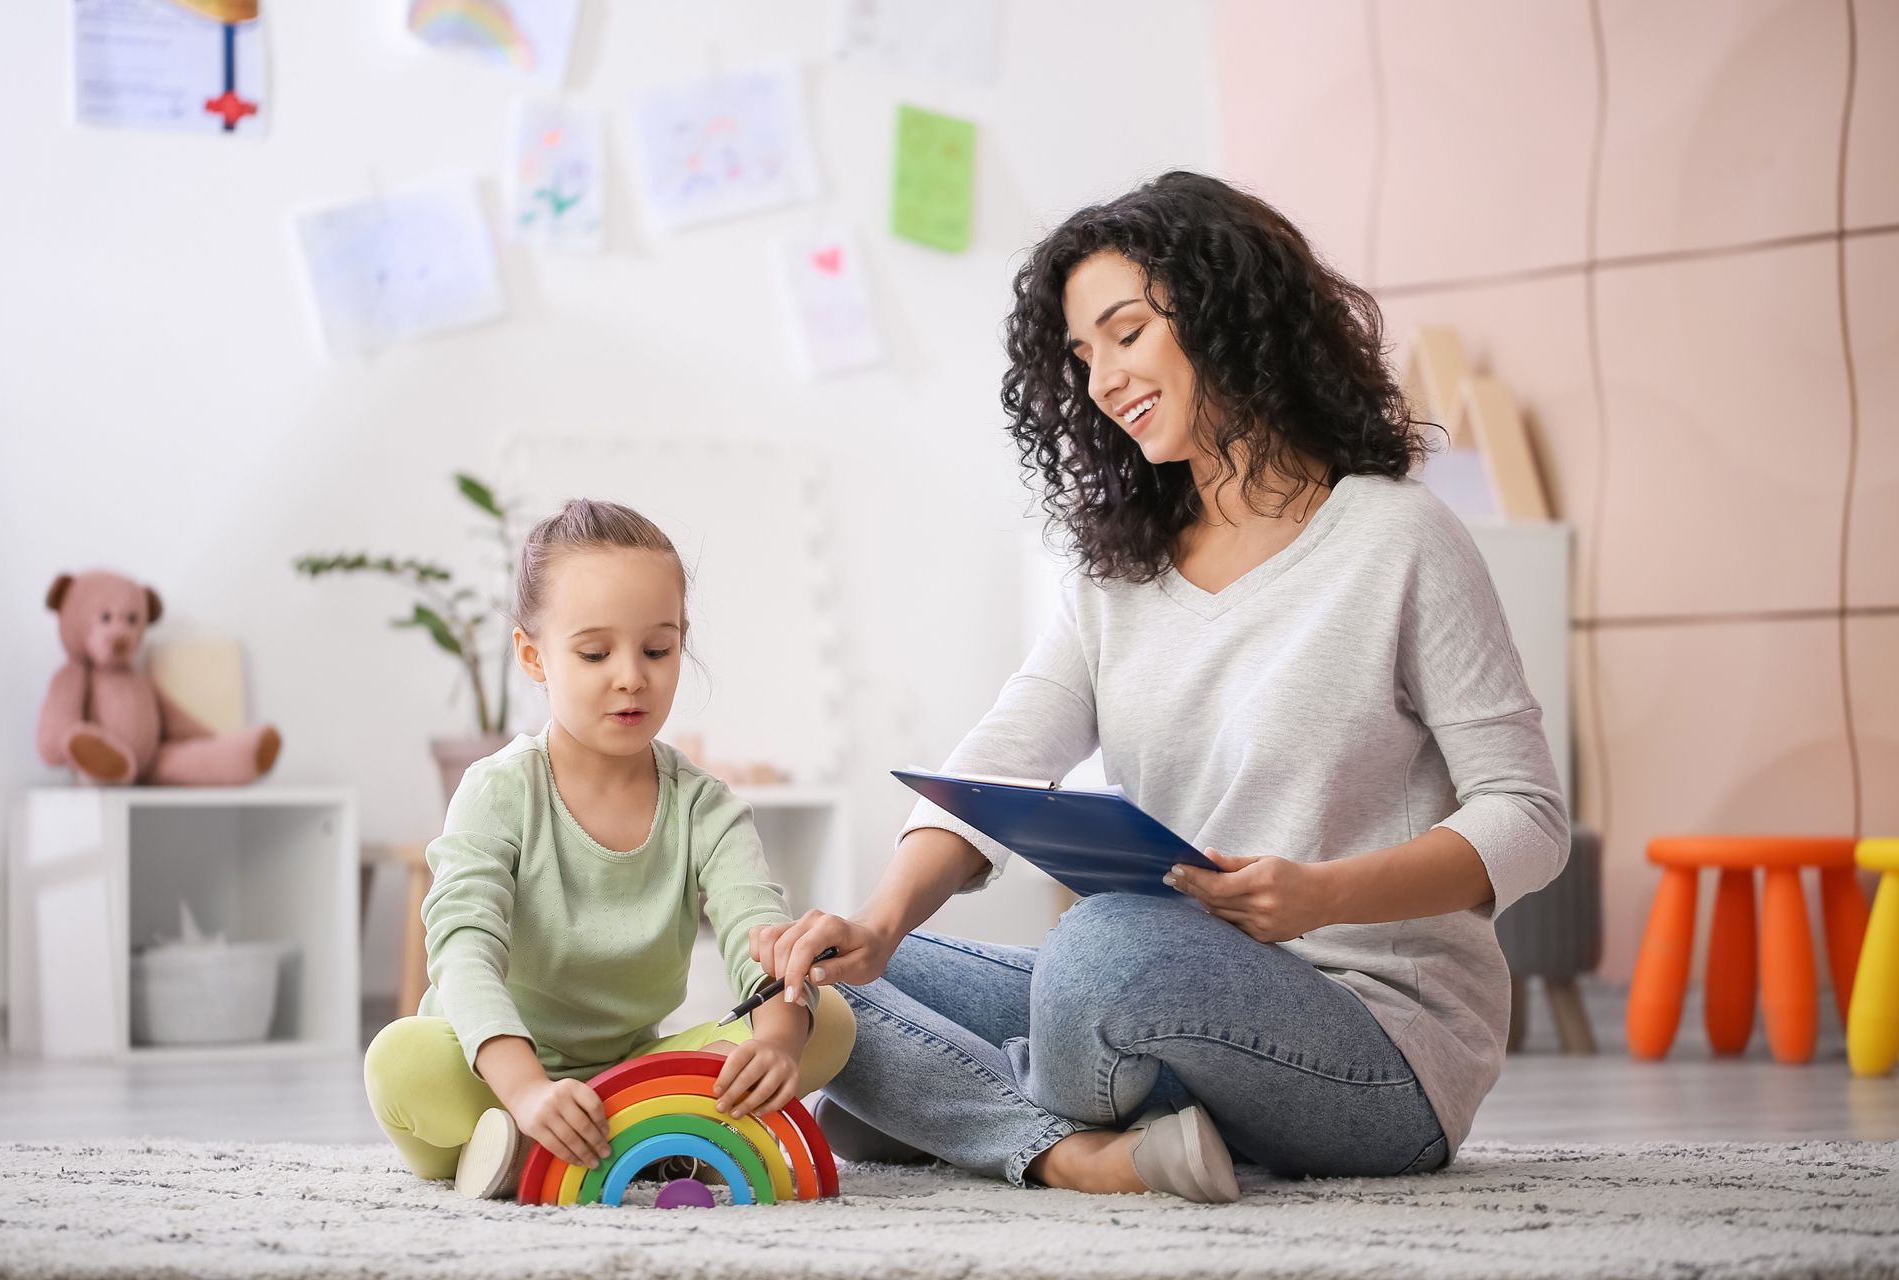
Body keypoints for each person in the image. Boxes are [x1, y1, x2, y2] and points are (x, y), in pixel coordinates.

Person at [751, 171, 1568, 1204]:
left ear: (1228, 313)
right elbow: (994, 763)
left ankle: (975, 1113)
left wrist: (1318, 893)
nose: (1100, 380)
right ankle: (1080, 1145)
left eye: (1126, 333)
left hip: (1378, 1043)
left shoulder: (1399, 539)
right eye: (1082, 356)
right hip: (1168, 988)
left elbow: (1528, 815)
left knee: (1089, 956)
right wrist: (877, 921)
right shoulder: (1116, 578)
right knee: (812, 976)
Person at [364, 499, 854, 1199]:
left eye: (657, 649)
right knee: (398, 1062)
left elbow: (762, 937)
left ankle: (556, 1144)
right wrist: (529, 1089)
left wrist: (776, 1043)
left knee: (824, 1020)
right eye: (595, 653)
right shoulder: (497, 791)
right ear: (533, 655)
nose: (632, 676)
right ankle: (574, 1130)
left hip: (630, 1071)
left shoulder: (704, 806)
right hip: (492, 1066)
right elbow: (464, 951)